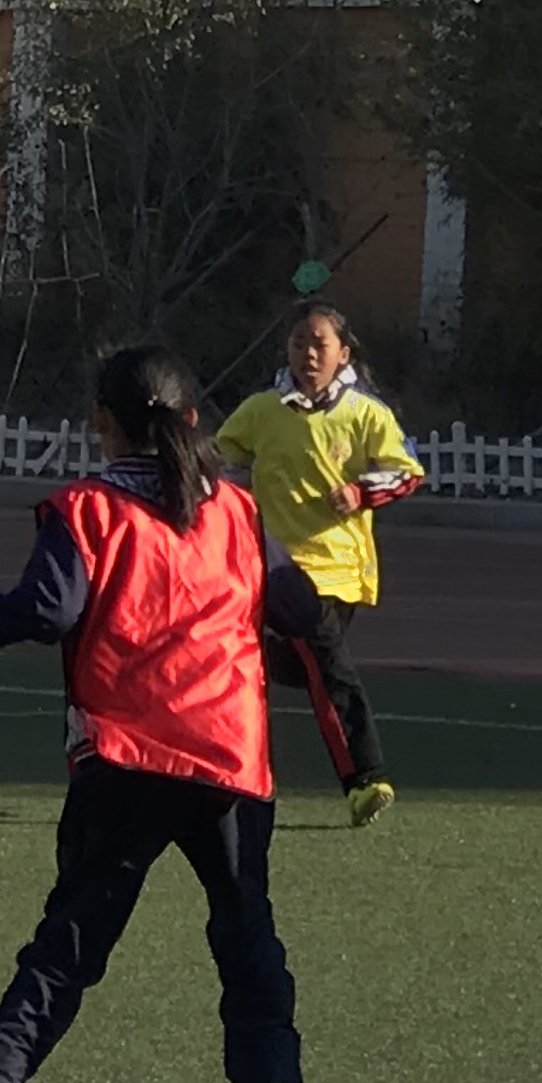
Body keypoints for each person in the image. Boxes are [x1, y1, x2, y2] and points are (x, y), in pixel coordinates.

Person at [0, 344, 323, 1083]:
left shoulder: (85, 508)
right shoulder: (238, 510)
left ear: (100, 423)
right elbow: (300, 608)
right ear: (193, 421)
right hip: (227, 753)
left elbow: (44, 612)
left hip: (124, 754)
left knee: (74, 935)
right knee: (245, 932)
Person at [213, 300, 424, 827]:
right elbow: (220, 458)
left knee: (291, 667)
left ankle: (228, 776)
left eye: (319, 344)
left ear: (343, 353)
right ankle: (365, 780)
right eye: (298, 344)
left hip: (338, 569)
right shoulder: (263, 410)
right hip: (274, 567)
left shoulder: (365, 414)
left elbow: (406, 472)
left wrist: (359, 492)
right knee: (324, 667)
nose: (308, 354)